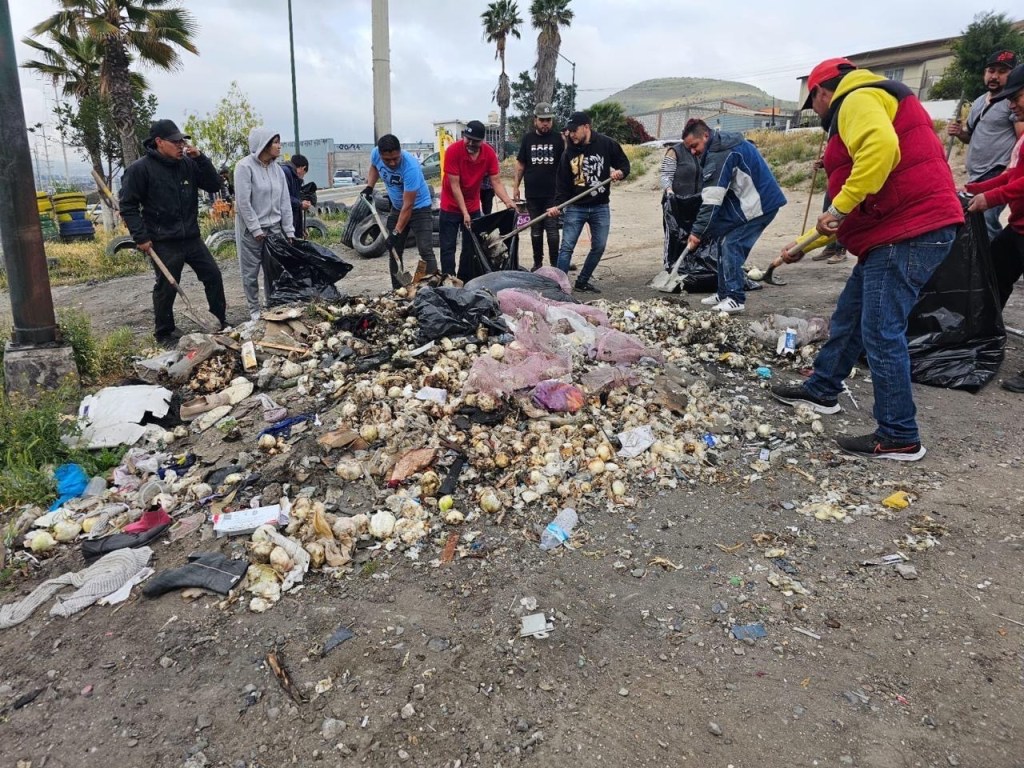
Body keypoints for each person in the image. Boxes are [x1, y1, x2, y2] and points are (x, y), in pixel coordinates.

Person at [771, 58, 964, 461]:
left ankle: (899, 434)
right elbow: (841, 214)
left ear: (824, 92)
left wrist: (839, 208)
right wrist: (798, 249)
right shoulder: (873, 97)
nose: (819, 113)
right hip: (894, 233)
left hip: (908, 231)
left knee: (881, 330)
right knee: (852, 314)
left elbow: (880, 149)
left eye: (815, 104)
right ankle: (822, 389)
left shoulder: (856, 97)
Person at [119, 119, 227, 346]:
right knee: (167, 286)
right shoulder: (140, 169)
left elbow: (214, 184)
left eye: (182, 141)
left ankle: (219, 321)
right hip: (163, 240)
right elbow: (128, 205)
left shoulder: (187, 164)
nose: (181, 146)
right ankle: (164, 332)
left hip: (191, 237)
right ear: (159, 142)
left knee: (213, 276)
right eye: (175, 142)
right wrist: (141, 237)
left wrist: (201, 159)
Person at [683, 118, 786, 314]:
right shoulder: (722, 145)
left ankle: (735, 298)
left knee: (732, 244)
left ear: (705, 135)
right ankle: (724, 292)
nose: (693, 152)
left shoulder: (720, 154)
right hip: (749, 201)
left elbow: (712, 200)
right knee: (723, 241)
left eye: (694, 146)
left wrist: (697, 233)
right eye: (689, 148)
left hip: (761, 204)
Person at [964, 63, 1024, 393]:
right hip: (1018, 227)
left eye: (1015, 96)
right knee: (996, 275)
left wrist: (991, 198)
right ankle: (986, 339)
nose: (1010, 104)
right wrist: (975, 190)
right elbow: (1012, 177)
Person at [548, 111, 630, 294]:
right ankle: (560, 288)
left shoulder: (606, 144)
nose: (571, 134)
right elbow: (562, 184)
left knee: (599, 246)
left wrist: (620, 173)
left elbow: (625, 165)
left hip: (600, 206)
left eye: (574, 130)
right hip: (576, 207)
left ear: (586, 127)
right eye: (568, 131)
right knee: (567, 247)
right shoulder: (568, 152)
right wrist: (558, 206)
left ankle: (583, 281)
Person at [947, 50, 1024, 241]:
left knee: (986, 223)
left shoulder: (1013, 110)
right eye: (991, 70)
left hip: (998, 169)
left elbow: (1018, 155)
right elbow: (970, 137)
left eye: (1002, 72)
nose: (994, 76)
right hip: (980, 174)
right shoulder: (980, 102)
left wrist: (996, 189)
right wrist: (960, 133)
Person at [438, 120, 515, 280]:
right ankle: (448, 280)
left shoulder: (489, 154)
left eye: (476, 141)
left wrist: (508, 201)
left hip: (473, 205)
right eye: (468, 139)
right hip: (450, 206)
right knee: (448, 247)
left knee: (471, 247)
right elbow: (455, 185)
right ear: (464, 136)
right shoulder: (453, 151)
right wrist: (464, 213)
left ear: (483, 140)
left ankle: (465, 279)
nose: (471, 143)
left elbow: (496, 182)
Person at [361, 133, 439, 288]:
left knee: (425, 250)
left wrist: (396, 232)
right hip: (397, 207)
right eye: (387, 160)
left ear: (400, 151)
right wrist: (369, 187)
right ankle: (398, 290)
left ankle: (433, 290)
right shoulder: (376, 153)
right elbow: (374, 167)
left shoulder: (411, 167)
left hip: (419, 208)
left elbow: (408, 206)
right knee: (394, 250)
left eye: (395, 158)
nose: (391, 163)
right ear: (380, 154)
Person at [234, 128, 294, 321]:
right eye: (275, 142)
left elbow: (284, 201)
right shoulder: (244, 167)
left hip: (274, 228)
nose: (279, 146)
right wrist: (255, 228)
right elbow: (244, 202)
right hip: (251, 230)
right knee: (250, 272)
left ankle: (273, 305)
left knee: (274, 271)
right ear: (264, 144)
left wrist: (289, 230)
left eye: (279, 141)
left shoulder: (278, 170)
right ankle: (254, 310)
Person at [512, 102, 565, 270]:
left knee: (552, 231)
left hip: (553, 194)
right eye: (542, 120)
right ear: (535, 120)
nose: (545, 123)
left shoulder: (558, 139)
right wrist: (515, 186)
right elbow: (520, 165)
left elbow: (566, 165)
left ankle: (555, 265)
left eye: (548, 120)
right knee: (536, 231)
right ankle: (538, 263)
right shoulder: (528, 139)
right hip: (533, 194)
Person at [658, 131, 701, 270]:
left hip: (696, 203)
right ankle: (671, 267)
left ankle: (691, 268)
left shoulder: (702, 151)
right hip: (676, 205)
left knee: (695, 238)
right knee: (676, 237)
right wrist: (669, 191)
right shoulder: (674, 151)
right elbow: (665, 176)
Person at [281, 154, 311, 239]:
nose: (302, 176)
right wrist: (300, 204)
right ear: (303, 168)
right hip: (283, 222)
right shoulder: (286, 173)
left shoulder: (291, 174)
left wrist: (300, 229)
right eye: (304, 173)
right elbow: (284, 197)